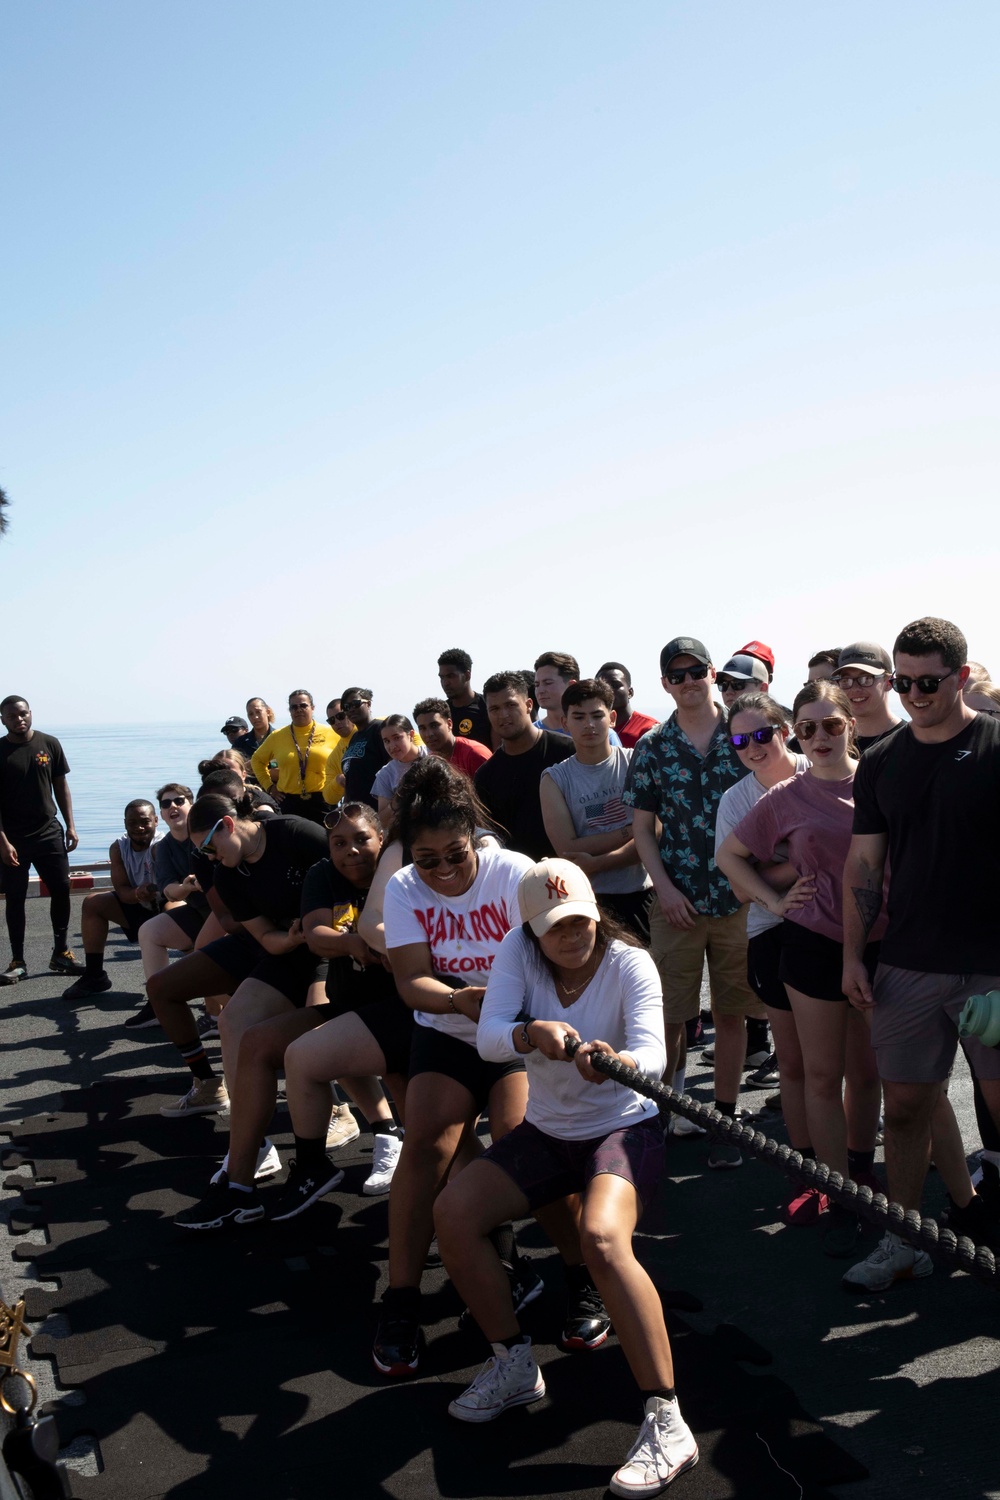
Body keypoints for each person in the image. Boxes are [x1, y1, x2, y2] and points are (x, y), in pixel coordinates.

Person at [435, 861, 699, 1496]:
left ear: (593, 911)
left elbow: (654, 1053)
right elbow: (492, 1038)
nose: (572, 934)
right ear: (532, 928)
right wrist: (532, 1033)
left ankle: (667, 1419)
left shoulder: (631, 961)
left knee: (602, 1240)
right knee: (454, 1213)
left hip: (623, 1124)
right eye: (556, 927)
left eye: (580, 919)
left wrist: (616, 1062)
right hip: (550, 1131)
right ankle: (513, 1363)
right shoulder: (516, 954)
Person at [841, 616, 1000, 1290]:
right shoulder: (881, 760)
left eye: (926, 682)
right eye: (901, 682)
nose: (912, 694)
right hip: (907, 963)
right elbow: (863, 868)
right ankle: (902, 1239)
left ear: (960, 677)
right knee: (904, 1107)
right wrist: (854, 957)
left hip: (992, 968)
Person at [373, 757, 539, 1378]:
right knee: (425, 1150)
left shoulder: (512, 874)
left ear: (476, 839)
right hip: (446, 1029)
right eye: (427, 859)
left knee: (520, 1149)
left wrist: (500, 1009)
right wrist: (458, 1000)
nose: (442, 870)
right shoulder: (403, 888)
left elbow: (552, 958)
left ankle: (572, 1276)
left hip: (515, 1031)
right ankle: (401, 1298)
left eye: (454, 854)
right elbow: (413, 983)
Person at [173, 801, 403, 1228]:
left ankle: (383, 1129)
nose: (349, 851)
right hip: (341, 996)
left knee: (310, 1047)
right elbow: (313, 935)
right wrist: (349, 943)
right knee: (255, 1038)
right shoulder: (321, 874)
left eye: (361, 840)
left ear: (383, 841)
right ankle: (246, 1184)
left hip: (399, 1012)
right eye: (338, 844)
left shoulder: (402, 877)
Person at [716, 681, 885, 1256]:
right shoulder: (783, 797)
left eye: (830, 725)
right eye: (809, 727)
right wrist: (773, 900)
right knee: (818, 1075)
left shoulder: (881, 779)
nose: (819, 737)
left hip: (880, 944)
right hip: (811, 944)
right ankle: (838, 1191)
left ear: (850, 726)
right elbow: (728, 857)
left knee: (867, 1073)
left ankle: (863, 1172)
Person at [622, 637, 765, 1170]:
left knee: (732, 1012)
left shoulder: (747, 730)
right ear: (664, 683)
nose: (687, 682)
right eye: (676, 675)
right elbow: (642, 827)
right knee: (669, 1019)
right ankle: (660, 1117)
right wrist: (663, 887)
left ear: (711, 672)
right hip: (676, 897)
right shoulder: (654, 746)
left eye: (695, 671)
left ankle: (725, 1120)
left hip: (740, 897)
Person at [148, 793, 329, 1119]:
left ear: (228, 824)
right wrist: (288, 939)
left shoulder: (295, 834)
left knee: (318, 1028)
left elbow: (352, 872)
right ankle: (214, 1090)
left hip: (326, 945)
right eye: (200, 852)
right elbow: (259, 935)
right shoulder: (226, 872)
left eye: (207, 847)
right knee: (165, 989)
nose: (207, 857)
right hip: (274, 945)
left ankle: (338, 1110)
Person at [712, 695, 818, 1220]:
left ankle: (855, 1169)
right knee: (796, 1064)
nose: (752, 748)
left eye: (761, 735)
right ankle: (807, 1170)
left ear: (784, 730)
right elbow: (737, 887)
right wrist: (784, 884)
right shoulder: (735, 800)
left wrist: (774, 868)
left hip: (836, 931)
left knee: (846, 1065)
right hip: (773, 933)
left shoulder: (818, 768)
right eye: (738, 740)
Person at [540, 678, 652, 939]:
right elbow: (568, 848)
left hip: (643, 895)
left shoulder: (636, 762)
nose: (589, 725)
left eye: (597, 715)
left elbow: (655, 834)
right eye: (578, 717)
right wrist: (632, 830)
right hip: (587, 901)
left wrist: (598, 862)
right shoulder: (554, 779)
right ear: (565, 722)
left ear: (612, 718)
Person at [0, 696, 81, 983]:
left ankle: (61, 952)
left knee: (61, 888)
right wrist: (3, 841)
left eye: (23, 713)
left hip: (49, 831)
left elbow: (61, 786)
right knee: (16, 898)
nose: (19, 719)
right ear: (3, 720)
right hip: (12, 838)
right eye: (12, 716)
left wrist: (70, 825)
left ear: (30, 714)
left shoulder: (50, 744)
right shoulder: (1, 751)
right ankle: (17, 960)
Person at [61, 800, 165, 1001]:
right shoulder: (118, 848)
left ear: (156, 821)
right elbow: (122, 890)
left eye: (145, 822)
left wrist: (153, 890)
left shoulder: (160, 846)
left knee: (179, 910)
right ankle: (94, 976)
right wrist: (138, 894)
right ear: (125, 823)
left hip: (163, 905)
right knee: (93, 903)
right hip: (138, 904)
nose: (139, 828)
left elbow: (172, 885)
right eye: (132, 822)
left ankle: (206, 989)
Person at [474, 671, 574, 861]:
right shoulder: (485, 776)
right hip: (520, 880)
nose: (503, 715)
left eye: (511, 705)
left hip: (576, 871)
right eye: (494, 709)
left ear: (529, 705)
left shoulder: (568, 752)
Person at [249, 691, 340, 824]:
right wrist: (269, 787)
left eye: (303, 706)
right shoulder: (277, 736)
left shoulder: (331, 732)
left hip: (323, 800)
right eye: (294, 707)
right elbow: (257, 761)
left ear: (312, 708)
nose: (299, 710)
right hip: (289, 802)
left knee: (326, 842)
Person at [831, 643, 901, 751]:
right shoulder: (830, 743)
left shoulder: (911, 740)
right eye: (846, 680)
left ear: (888, 682)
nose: (855, 689)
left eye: (866, 679)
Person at [413, 698, 492, 778]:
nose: (429, 734)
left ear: (449, 724)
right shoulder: (431, 761)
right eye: (422, 728)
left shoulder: (474, 754)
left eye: (434, 726)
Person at [338, 688, 389, 807]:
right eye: (346, 707)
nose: (351, 709)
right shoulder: (355, 737)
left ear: (369, 703)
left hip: (376, 809)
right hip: (355, 811)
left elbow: (393, 767)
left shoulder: (380, 729)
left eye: (355, 704)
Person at [371, 715, 427, 824]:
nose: (392, 746)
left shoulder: (432, 755)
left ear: (411, 735)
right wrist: (398, 800)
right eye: (386, 741)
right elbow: (382, 820)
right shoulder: (385, 774)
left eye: (397, 738)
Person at [437, 648, 492, 747]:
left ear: (467, 676)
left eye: (451, 676)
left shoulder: (488, 706)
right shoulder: (441, 713)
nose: (445, 683)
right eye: (442, 677)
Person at [595, 662, 658, 749]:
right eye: (602, 686)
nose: (608, 690)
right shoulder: (590, 730)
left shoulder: (649, 729)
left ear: (630, 692)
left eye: (615, 685)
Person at [533, 652, 581, 736]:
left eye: (548, 683)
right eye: (537, 685)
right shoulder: (530, 735)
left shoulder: (594, 733)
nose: (540, 690)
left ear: (571, 685)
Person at [233, 698, 275, 771]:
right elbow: (234, 769)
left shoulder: (280, 738)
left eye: (258, 712)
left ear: (267, 712)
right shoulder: (240, 743)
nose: (255, 717)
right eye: (251, 714)